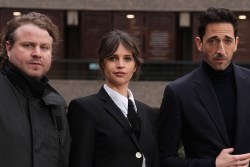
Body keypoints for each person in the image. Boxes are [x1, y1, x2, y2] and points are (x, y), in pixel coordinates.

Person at [158, 7, 250, 167]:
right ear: (199, 43)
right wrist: (212, 164)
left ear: (236, 43)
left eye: (227, 40)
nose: (221, 50)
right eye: (213, 40)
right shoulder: (178, 92)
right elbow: (164, 159)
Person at [67, 30, 159, 167]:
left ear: (135, 66)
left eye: (127, 58)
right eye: (113, 58)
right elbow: (80, 162)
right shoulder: (84, 109)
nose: (120, 64)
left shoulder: (148, 113)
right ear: (102, 64)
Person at [0, 12, 71, 167]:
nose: (37, 53)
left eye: (44, 47)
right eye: (28, 45)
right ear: (8, 47)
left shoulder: (56, 104)